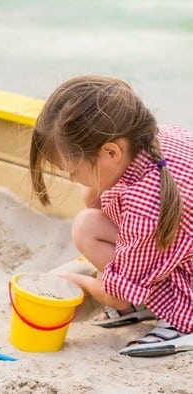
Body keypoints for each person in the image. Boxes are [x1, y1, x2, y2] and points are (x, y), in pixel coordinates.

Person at [29, 75, 193, 357]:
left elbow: (116, 296)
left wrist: (81, 284)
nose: (71, 177)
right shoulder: (161, 137)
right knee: (89, 210)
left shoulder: (145, 205)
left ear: (111, 151)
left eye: (72, 169)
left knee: (85, 227)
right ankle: (146, 296)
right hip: (180, 247)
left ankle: (180, 321)